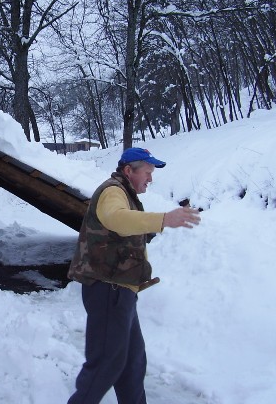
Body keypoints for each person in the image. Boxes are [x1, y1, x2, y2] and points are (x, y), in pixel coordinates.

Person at [67, 147, 201, 404]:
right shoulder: (113, 191)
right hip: (108, 290)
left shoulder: (125, 193)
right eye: (147, 172)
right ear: (129, 170)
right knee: (105, 365)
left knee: (131, 363)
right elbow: (116, 219)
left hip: (120, 292)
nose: (150, 178)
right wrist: (163, 219)